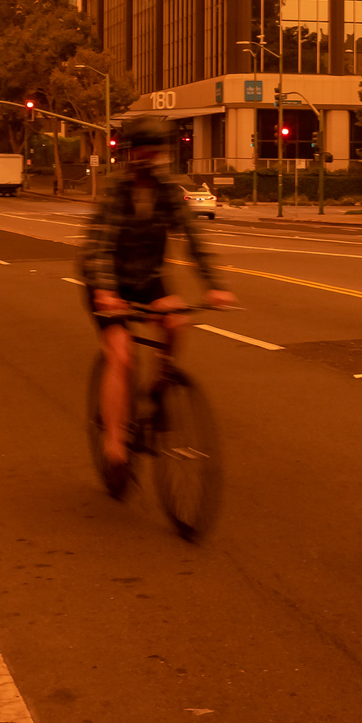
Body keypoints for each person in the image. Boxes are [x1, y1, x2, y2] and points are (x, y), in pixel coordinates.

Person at [81, 117, 236, 497]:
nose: (150, 159)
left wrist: (215, 286)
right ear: (130, 154)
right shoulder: (117, 192)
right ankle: (115, 446)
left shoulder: (168, 192)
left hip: (147, 279)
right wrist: (105, 292)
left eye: (157, 153)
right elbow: (100, 249)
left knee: (177, 320)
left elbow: (193, 240)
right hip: (107, 279)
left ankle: (157, 389)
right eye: (144, 152)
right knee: (122, 355)